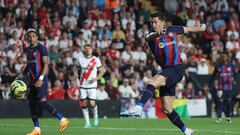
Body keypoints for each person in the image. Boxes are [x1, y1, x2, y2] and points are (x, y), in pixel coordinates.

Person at [121, 12, 206, 135]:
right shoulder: (150, 34)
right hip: (167, 71)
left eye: (155, 22)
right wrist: (157, 33)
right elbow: (148, 37)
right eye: (152, 22)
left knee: (152, 82)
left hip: (177, 68)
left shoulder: (172, 30)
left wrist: (201, 28)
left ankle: (139, 107)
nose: (153, 24)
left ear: (162, 22)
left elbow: (188, 29)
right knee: (167, 109)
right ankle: (186, 130)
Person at [14, 29, 69, 135]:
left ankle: (62, 119)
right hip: (32, 81)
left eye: (34, 36)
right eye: (29, 36)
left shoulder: (41, 48)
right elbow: (28, 66)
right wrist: (19, 77)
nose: (31, 38)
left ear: (37, 37)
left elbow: (46, 65)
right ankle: (37, 129)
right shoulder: (28, 49)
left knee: (42, 102)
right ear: (27, 38)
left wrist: (41, 78)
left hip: (41, 80)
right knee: (31, 103)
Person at [78, 44, 106, 128]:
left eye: (89, 48)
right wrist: (75, 73)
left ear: (92, 50)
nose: (87, 50)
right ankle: (87, 123)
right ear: (84, 50)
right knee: (84, 103)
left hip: (92, 85)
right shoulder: (80, 59)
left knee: (92, 102)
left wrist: (96, 78)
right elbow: (76, 67)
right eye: (86, 49)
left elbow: (102, 70)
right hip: (83, 84)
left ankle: (95, 115)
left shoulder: (96, 60)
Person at [209, 52, 238, 124]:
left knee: (228, 102)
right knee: (220, 101)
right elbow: (213, 75)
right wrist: (211, 83)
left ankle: (228, 117)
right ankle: (219, 117)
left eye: (225, 56)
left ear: (227, 57)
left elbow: (236, 75)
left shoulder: (232, 66)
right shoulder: (218, 66)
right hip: (221, 87)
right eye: (222, 57)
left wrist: (233, 78)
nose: (223, 58)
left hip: (229, 87)